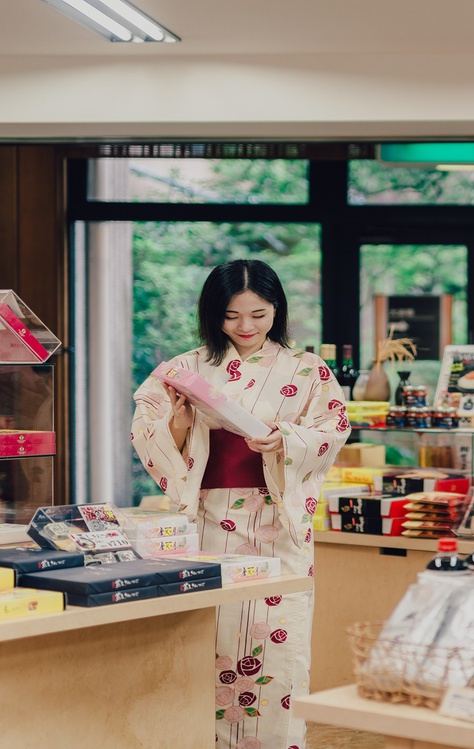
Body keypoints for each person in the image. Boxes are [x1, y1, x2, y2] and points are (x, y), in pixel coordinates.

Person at [131, 259, 349, 749]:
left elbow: (333, 430)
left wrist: (286, 440)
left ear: (278, 310)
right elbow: (147, 432)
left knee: (280, 635)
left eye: (259, 314)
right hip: (208, 517)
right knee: (210, 634)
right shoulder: (185, 367)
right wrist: (181, 425)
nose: (246, 327)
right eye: (232, 316)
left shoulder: (308, 369)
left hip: (277, 514)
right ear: (213, 314)